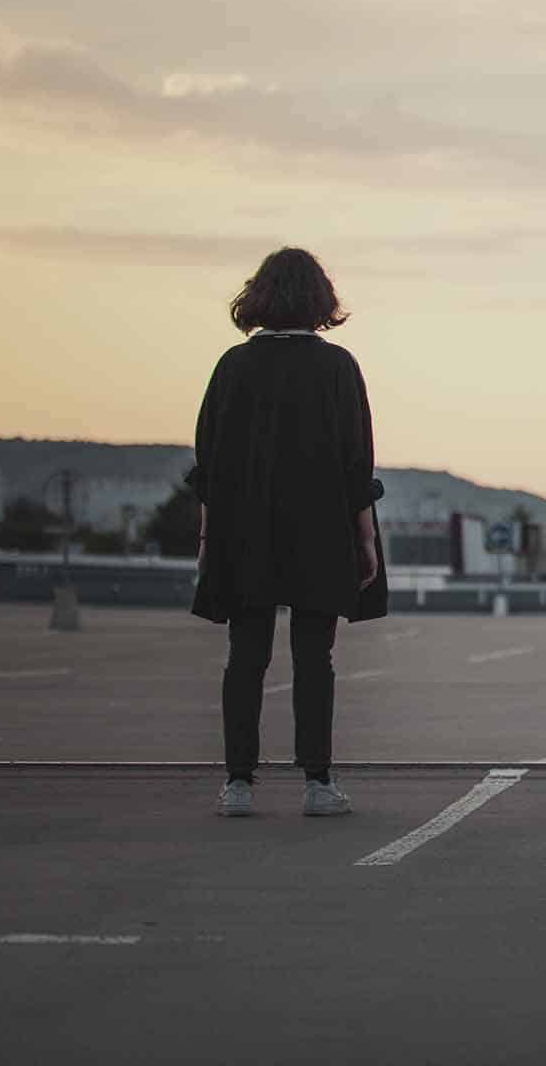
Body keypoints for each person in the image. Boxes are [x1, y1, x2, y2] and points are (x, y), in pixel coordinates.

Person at [191, 248, 386, 818]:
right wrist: (365, 539)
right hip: (320, 531)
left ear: (258, 297)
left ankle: (238, 785)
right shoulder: (338, 367)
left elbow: (210, 464)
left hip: (244, 531)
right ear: (321, 299)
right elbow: (356, 462)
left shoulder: (232, 366)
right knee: (314, 658)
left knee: (245, 656)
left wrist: (207, 539)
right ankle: (318, 784)